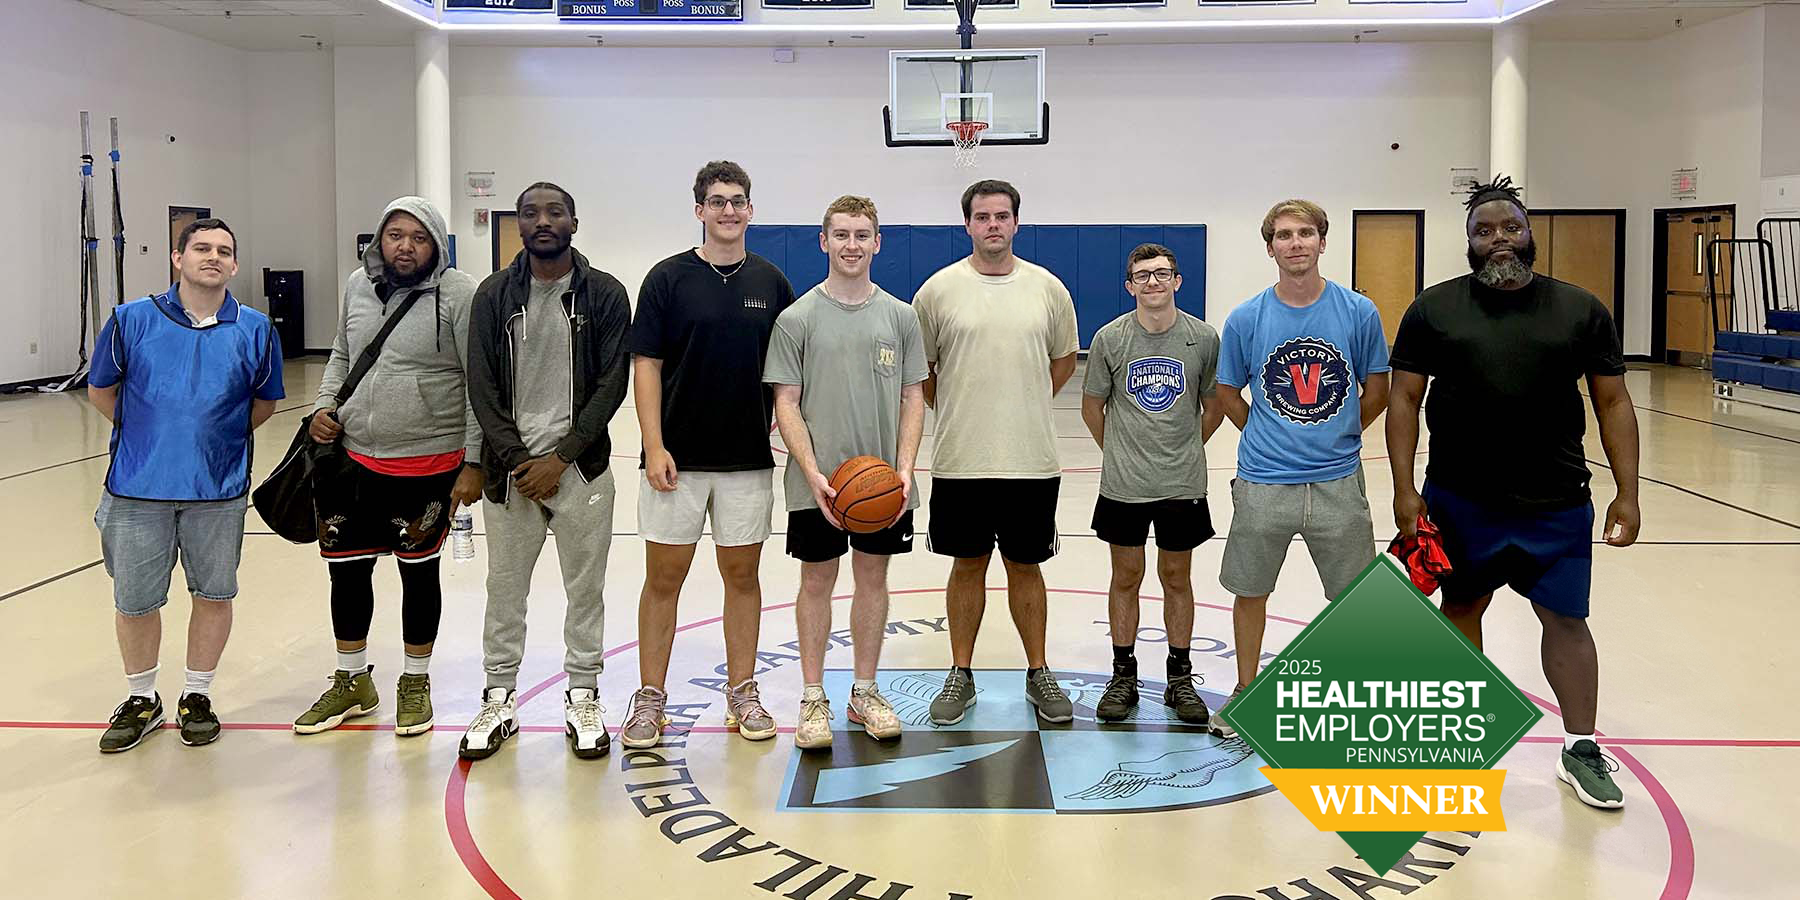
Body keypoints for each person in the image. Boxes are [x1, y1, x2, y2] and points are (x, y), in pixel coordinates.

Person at [1387, 176, 1641, 809]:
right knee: (1460, 614)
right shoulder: (1434, 310)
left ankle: (1580, 748)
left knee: (1566, 621)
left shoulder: (1580, 310)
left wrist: (1628, 493)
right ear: (1468, 244)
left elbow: (1612, 401)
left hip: (1555, 502)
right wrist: (1404, 489)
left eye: (1510, 227)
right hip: (1460, 501)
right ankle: (1459, 746)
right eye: (1483, 230)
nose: (1498, 238)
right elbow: (1402, 399)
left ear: (1530, 235)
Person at [89, 218, 284, 752]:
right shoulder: (130, 321)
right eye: (201, 248)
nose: (212, 257)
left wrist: (218, 439)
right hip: (136, 489)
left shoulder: (256, 329)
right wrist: (148, 436)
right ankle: (142, 698)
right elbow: (102, 391)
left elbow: (264, 402)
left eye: (224, 250)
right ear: (178, 258)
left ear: (235, 265)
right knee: (135, 601)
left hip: (217, 493)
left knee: (214, 594)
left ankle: (197, 694)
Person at [293, 197, 483, 739]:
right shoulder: (357, 286)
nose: (405, 246)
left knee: (418, 575)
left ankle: (415, 680)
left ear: (437, 245)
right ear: (380, 240)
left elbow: (477, 382)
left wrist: (473, 461)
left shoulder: (459, 293)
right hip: (351, 460)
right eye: (395, 235)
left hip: (428, 463)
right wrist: (324, 407)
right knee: (347, 573)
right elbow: (340, 354)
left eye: (419, 237)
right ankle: (352, 680)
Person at [622, 161, 796, 747]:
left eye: (738, 201)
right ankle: (650, 698)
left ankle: (742, 692)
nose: (728, 210)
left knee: (742, 577)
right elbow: (646, 364)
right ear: (698, 209)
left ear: (751, 210)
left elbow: (788, 377)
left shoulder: (771, 282)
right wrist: (653, 446)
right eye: (717, 201)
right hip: (677, 461)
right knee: (663, 580)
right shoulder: (667, 279)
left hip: (747, 460)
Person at [458, 181, 633, 761]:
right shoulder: (491, 295)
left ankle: (583, 693)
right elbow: (481, 386)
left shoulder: (605, 294)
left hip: (581, 471)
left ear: (573, 223)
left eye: (554, 211)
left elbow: (613, 383)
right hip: (512, 478)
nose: (542, 221)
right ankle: (499, 697)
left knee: (586, 592)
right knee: (504, 590)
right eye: (530, 213)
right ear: (519, 225)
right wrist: (516, 461)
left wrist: (561, 457)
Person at [1213, 199, 1390, 736]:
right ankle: (1246, 694)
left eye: (1305, 233)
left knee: (1353, 600)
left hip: (1338, 481)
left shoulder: (1358, 311)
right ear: (1270, 247)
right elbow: (1226, 390)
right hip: (1264, 481)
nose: (1295, 243)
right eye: (1284, 236)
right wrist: (1267, 434)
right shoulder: (1247, 317)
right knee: (1251, 591)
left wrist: (1340, 433)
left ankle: (1352, 702)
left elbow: (1377, 387)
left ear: (1322, 241)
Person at [913, 179, 1079, 726]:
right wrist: (964, 405)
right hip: (962, 458)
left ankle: (1039, 672)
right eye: (982, 217)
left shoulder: (1048, 289)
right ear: (967, 224)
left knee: (1026, 566)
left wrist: (1022, 400)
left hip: (1031, 459)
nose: (992, 225)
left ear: (1015, 222)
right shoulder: (936, 291)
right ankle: (960, 673)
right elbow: (925, 372)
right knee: (967, 565)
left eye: (1001, 216)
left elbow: (1061, 363)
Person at [765, 195, 926, 749]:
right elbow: (786, 402)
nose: (852, 245)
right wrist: (810, 472)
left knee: (873, 580)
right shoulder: (797, 318)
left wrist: (904, 471)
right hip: (820, 482)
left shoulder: (902, 317)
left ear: (878, 243)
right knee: (815, 581)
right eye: (842, 235)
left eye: (862, 235)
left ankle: (864, 690)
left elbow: (913, 397)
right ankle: (813, 697)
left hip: (881, 485)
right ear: (824, 242)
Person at [1080, 243, 1223, 725]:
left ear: (1178, 281)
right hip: (1125, 486)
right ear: (1129, 286)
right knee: (1125, 577)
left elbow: (1214, 404)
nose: (1153, 283)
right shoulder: (1109, 338)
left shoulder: (1203, 339)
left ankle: (1179, 678)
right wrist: (1120, 453)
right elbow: (1091, 407)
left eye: (1162, 274)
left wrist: (1184, 448)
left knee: (1177, 578)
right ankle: (1123, 675)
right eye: (1143, 276)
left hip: (1182, 484)